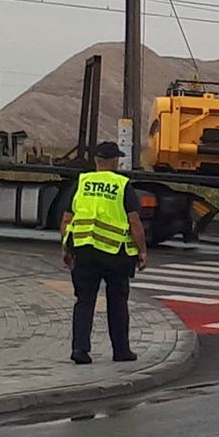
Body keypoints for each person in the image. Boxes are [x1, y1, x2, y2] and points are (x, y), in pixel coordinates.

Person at [60, 141, 148, 364]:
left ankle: (80, 349)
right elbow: (134, 222)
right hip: (115, 254)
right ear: (115, 161)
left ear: (96, 161)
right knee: (117, 302)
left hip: (84, 251)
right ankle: (121, 351)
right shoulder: (122, 184)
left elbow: (67, 219)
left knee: (84, 301)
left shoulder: (82, 182)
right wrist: (142, 251)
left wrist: (66, 248)